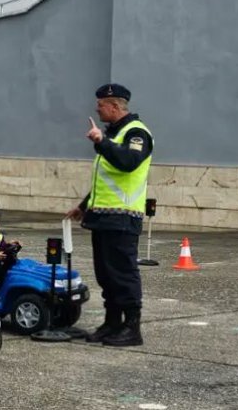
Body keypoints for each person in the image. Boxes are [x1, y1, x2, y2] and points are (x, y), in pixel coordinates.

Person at [66, 83, 153, 347]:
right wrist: (84, 205)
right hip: (104, 217)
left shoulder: (136, 133)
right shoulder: (114, 135)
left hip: (124, 218)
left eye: (101, 104)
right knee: (106, 274)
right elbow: (105, 181)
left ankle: (131, 328)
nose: (97, 108)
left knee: (123, 274)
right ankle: (112, 323)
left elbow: (127, 163)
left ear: (114, 106)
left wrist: (101, 141)